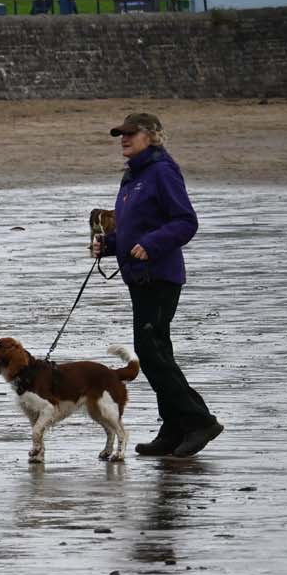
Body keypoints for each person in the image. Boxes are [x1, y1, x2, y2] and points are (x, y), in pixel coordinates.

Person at [92, 113, 222, 457]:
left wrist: (152, 244)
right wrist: (109, 245)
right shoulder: (133, 175)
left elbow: (186, 222)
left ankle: (199, 420)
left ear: (151, 136)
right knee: (156, 353)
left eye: (130, 134)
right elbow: (134, 228)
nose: (123, 139)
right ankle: (174, 427)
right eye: (120, 134)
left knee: (151, 353)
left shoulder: (162, 171)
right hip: (138, 277)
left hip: (160, 276)